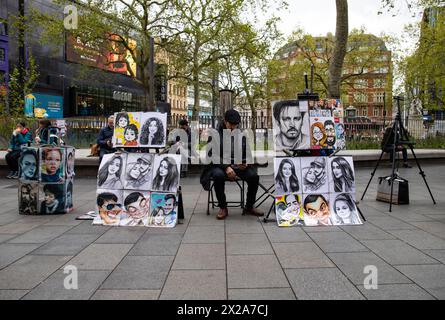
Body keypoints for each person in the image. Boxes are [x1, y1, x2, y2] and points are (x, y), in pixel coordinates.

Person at [206, 109, 263, 220]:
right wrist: (226, 167)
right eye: (231, 124)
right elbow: (211, 155)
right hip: (220, 166)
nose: (233, 127)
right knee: (218, 176)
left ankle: (249, 206)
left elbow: (248, 153)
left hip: (237, 166)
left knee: (254, 177)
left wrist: (244, 162)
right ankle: (223, 207)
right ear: (225, 121)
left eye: (235, 125)